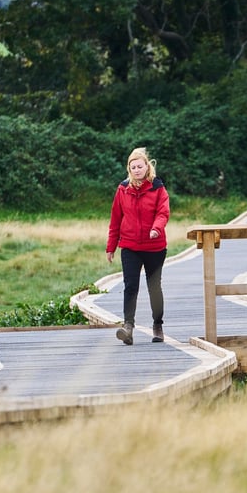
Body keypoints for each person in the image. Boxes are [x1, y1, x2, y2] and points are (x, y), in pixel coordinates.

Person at [106, 147, 170, 345]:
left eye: (140, 166)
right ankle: (128, 327)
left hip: (154, 246)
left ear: (147, 167)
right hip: (130, 246)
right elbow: (115, 219)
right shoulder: (123, 189)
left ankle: (157, 326)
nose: (136, 170)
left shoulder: (157, 188)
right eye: (133, 167)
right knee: (130, 286)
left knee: (154, 287)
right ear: (129, 169)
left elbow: (163, 212)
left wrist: (156, 228)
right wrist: (111, 246)